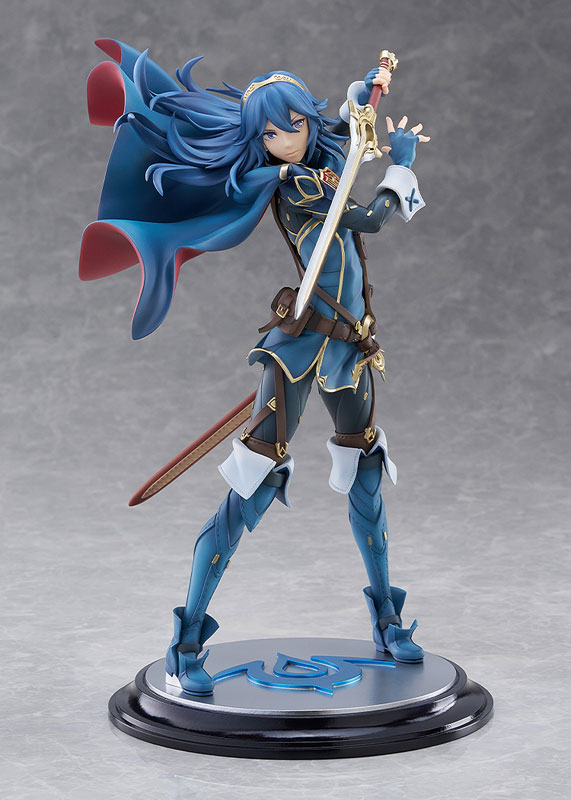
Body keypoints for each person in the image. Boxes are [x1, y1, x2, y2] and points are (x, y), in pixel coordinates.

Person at [80, 40, 430, 695]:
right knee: (254, 484)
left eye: (292, 125)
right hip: (296, 352)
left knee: (366, 471)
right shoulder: (296, 185)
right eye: (269, 134)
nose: (285, 140)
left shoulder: (321, 160)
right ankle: (185, 644)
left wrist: (361, 96)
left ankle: (387, 619)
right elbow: (369, 218)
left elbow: (342, 132)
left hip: (348, 347)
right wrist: (402, 165)